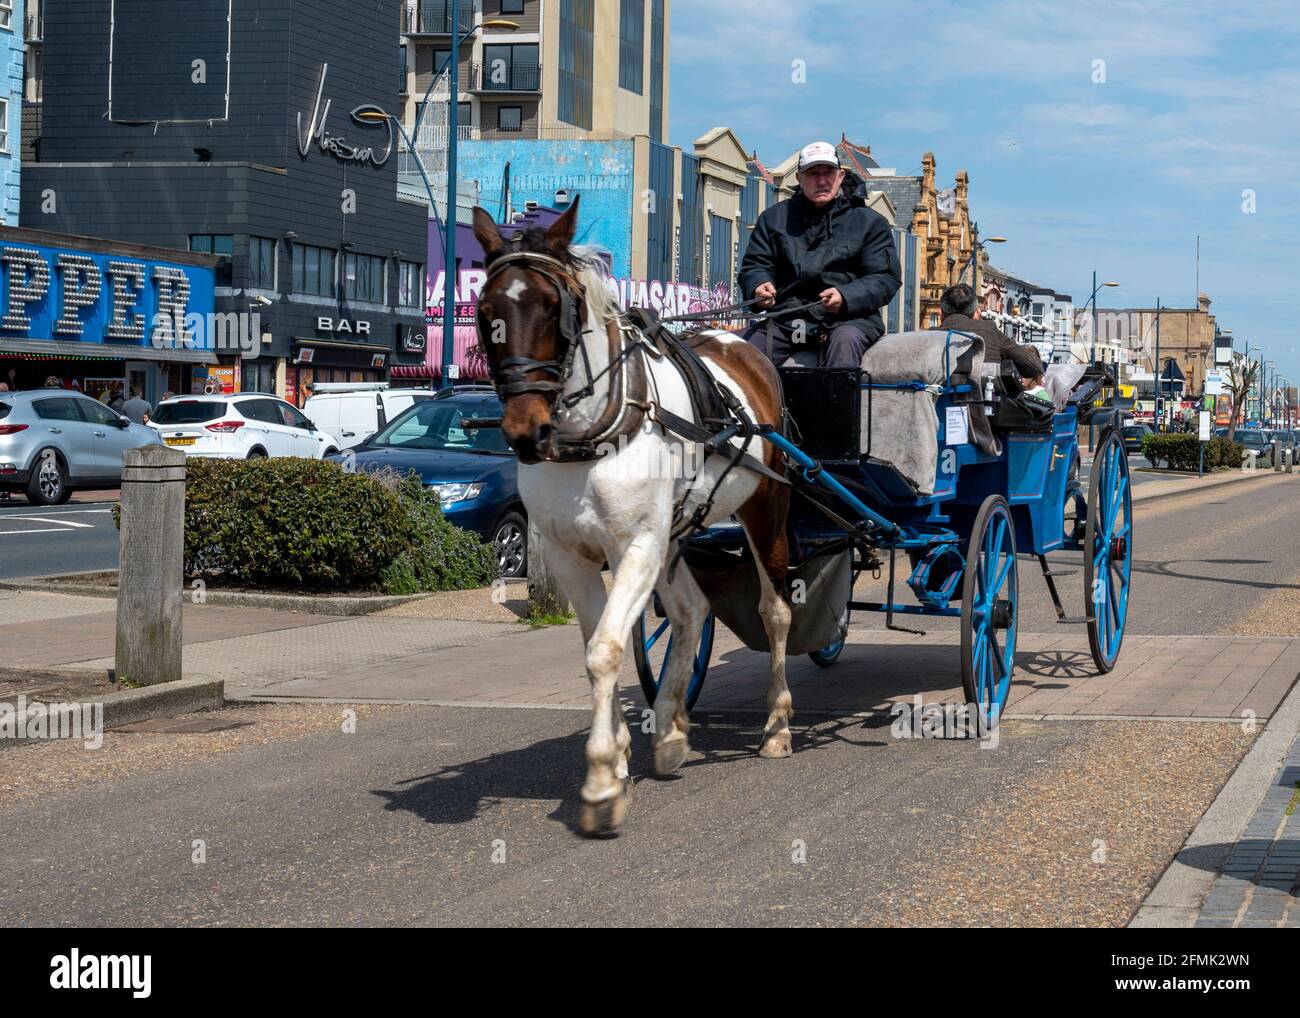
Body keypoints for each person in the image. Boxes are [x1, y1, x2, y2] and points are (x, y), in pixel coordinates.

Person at [737, 141, 902, 368]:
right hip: (786, 321)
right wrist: (759, 285)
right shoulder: (773, 218)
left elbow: (885, 278)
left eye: (828, 173)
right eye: (813, 173)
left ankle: (836, 404)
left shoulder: (870, 222)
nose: (822, 181)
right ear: (799, 178)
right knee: (735, 355)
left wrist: (846, 296)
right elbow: (755, 265)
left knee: (844, 343)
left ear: (841, 176)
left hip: (849, 320)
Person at [933, 283, 1044, 379]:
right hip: (983, 400)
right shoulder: (990, 330)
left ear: (940, 313)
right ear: (977, 313)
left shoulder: (929, 336)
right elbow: (1034, 366)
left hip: (936, 401)